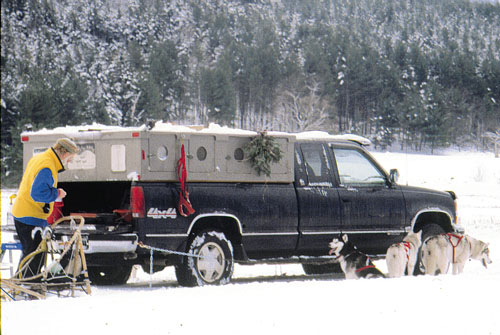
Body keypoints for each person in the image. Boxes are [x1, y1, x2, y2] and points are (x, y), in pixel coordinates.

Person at [12, 137, 79, 278]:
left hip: (24, 212)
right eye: (70, 159)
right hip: (30, 216)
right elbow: (37, 194)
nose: (69, 162)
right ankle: (28, 286)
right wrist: (57, 193)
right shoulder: (48, 166)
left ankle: (25, 284)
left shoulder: (41, 158)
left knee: (32, 253)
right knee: (35, 255)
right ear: (65, 154)